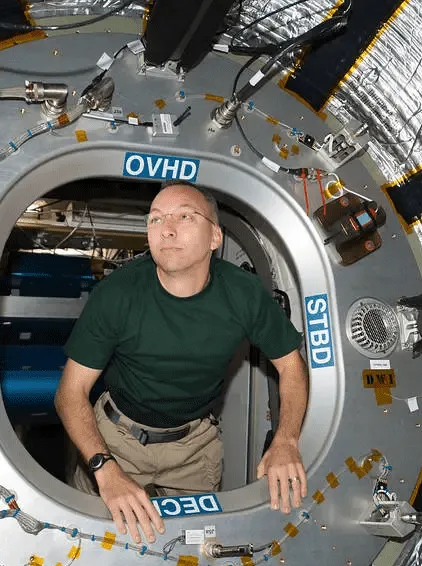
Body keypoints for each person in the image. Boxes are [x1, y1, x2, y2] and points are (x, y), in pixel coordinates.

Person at [54, 181, 309, 544]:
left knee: (192, 551)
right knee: (95, 546)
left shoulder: (244, 294)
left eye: (185, 217)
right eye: (156, 220)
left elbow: (291, 366)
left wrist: (287, 440)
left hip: (194, 446)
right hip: (115, 439)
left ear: (215, 238)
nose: (167, 230)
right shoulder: (117, 295)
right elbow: (70, 393)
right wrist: (104, 469)